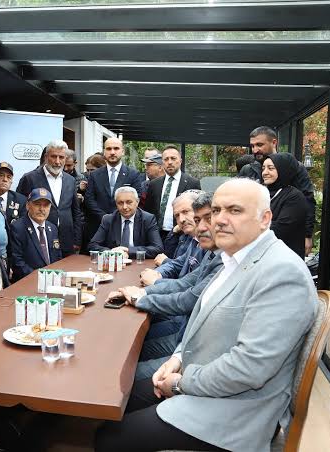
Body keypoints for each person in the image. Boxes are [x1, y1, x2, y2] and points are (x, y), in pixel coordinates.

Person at [95, 178, 317, 452]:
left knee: (109, 437)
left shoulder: (282, 272)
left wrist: (180, 383)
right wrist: (176, 359)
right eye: (217, 211)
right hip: (201, 380)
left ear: (265, 219)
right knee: (119, 398)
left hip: (232, 414)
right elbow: (199, 323)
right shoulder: (234, 258)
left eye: (234, 210)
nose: (219, 220)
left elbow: (250, 368)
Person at [109, 192, 223, 381]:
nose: (183, 220)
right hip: (186, 334)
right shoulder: (212, 251)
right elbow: (184, 280)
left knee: (124, 372)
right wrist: (143, 290)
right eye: (178, 215)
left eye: (207, 218)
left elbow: (188, 299)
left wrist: (140, 297)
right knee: (125, 350)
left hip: (194, 346)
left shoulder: (223, 256)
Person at [247, 125, 316, 254]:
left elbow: (307, 200)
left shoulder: (295, 169)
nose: (255, 150)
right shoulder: (249, 168)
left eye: (259, 145)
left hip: (286, 239)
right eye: (252, 146)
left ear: (274, 143)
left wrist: (307, 234)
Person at [16, 140, 83, 256]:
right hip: (39, 240)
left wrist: (77, 239)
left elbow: (75, 211)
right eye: (53, 156)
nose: (57, 161)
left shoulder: (70, 180)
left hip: (67, 241)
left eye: (61, 157)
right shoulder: (30, 178)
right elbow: (21, 209)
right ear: (46, 157)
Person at [84, 138, 144, 247]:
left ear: (123, 151)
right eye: (109, 149)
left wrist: (118, 216)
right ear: (104, 152)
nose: (112, 152)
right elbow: (89, 199)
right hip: (98, 226)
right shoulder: (94, 175)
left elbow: (136, 198)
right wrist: (105, 217)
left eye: (116, 148)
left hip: (123, 227)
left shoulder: (133, 174)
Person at [141, 191, 206, 286]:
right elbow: (177, 264)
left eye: (185, 212)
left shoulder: (211, 243)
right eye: (177, 216)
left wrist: (156, 281)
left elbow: (192, 285)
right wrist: (157, 274)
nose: (181, 220)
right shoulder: (194, 239)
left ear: (200, 211)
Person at [143, 145, 201, 239]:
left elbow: (198, 210)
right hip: (156, 235)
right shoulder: (154, 184)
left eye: (173, 158)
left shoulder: (192, 183)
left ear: (180, 161)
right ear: (162, 162)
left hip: (181, 234)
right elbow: (148, 210)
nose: (169, 162)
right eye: (166, 159)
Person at [88, 187, 163, 259]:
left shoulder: (148, 219)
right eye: (120, 203)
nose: (124, 207)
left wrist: (128, 251)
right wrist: (111, 252)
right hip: (114, 262)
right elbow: (92, 245)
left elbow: (157, 248)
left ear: (137, 202)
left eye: (129, 202)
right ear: (116, 204)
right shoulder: (108, 219)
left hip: (138, 262)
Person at [10, 188, 63, 281]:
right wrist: (41, 278)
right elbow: (17, 263)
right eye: (37, 204)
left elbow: (57, 256)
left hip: (51, 281)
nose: (42, 209)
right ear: (27, 205)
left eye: (46, 205)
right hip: (28, 282)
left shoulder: (53, 228)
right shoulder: (17, 227)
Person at [262, 153, 307, 258]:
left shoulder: (294, 197)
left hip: (284, 257)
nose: (265, 172)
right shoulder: (261, 192)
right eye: (263, 168)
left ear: (283, 170)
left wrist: (250, 227)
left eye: (271, 168)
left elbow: (280, 230)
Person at [0, 161, 27, 225]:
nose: (5, 179)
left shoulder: (21, 200)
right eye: (1, 175)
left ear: (11, 181)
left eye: (8, 177)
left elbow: (23, 225)